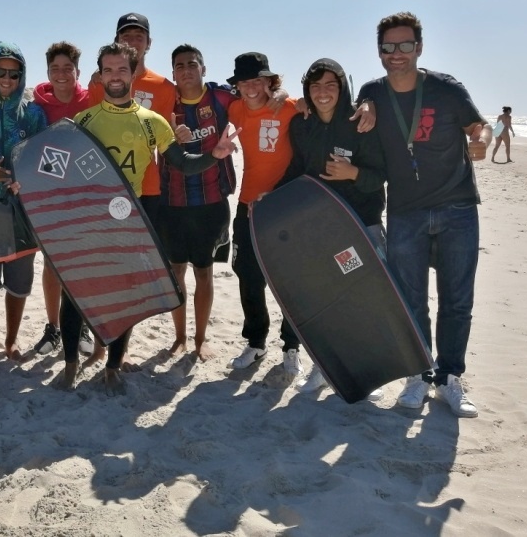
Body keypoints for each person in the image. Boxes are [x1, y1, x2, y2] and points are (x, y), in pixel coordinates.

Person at [56, 42, 239, 395]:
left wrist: (214, 155)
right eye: (107, 70)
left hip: (130, 219)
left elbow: (183, 164)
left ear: (134, 73)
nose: (114, 77)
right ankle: (69, 364)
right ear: (100, 74)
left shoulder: (152, 122)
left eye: (121, 70)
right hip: (91, 219)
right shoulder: (83, 121)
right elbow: (62, 172)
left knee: (125, 295)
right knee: (76, 292)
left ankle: (112, 367)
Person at [356, 11, 490, 418]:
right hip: (405, 211)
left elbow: (479, 126)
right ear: (379, 51)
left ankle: (449, 377)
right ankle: (418, 375)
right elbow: (349, 115)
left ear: (419, 47)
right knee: (412, 299)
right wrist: (362, 110)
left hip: (457, 206)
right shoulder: (372, 93)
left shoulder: (446, 89)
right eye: (388, 47)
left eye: (405, 45)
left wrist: (481, 141)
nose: (396, 54)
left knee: (456, 300)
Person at [278, 58, 387, 401]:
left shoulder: (361, 123)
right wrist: (272, 196)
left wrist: (352, 173)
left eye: (330, 85)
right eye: (315, 86)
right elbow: (298, 169)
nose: (322, 93)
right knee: (328, 301)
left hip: (361, 227)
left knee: (364, 302)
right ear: (307, 91)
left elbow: (380, 176)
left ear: (342, 88)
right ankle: (323, 370)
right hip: (321, 229)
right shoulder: (301, 126)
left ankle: (367, 374)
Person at [225, 53, 304, 380]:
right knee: (248, 275)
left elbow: (324, 103)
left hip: (284, 205)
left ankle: (291, 347)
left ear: (270, 81)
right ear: (238, 86)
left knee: (289, 278)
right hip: (247, 205)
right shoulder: (234, 109)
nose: (251, 87)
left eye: (258, 80)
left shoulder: (290, 107)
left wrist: (287, 97)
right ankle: (255, 341)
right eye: (244, 82)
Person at [0, 42, 48, 361]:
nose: (7, 78)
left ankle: (11, 340)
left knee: (19, 279)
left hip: (22, 212)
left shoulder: (33, 113)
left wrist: (26, 180)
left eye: (14, 73)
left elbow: (45, 160)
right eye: (0, 71)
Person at [160, 44, 238, 361]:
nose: (187, 70)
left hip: (212, 200)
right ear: (174, 73)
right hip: (172, 201)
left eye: (192, 64)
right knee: (176, 271)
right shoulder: (167, 101)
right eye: (179, 65)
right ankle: (179, 337)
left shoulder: (220, 97)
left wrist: (280, 93)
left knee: (204, 272)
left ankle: (200, 339)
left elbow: (258, 95)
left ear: (203, 68)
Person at [30, 42, 95, 356]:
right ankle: (53, 328)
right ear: (47, 72)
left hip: (87, 194)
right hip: (51, 195)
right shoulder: (38, 106)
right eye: (54, 68)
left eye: (67, 68)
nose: (61, 74)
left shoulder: (91, 99)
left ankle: (81, 325)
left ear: (77, 72)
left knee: (82, 264)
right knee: (52, 265)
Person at [88, 13, 177, 233]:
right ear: (117, 41)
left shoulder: (165, 87)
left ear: (149, 43)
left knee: (144, 257)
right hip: (105, 185)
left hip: (148, 188)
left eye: (139, 36)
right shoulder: (99, 84)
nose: (132, 41)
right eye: (126, 35)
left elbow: (163, 142)